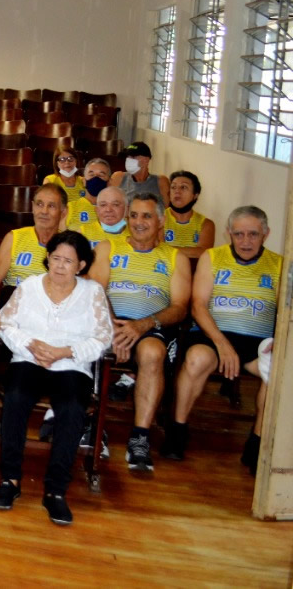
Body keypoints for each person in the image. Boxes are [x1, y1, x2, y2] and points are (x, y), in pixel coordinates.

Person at [0, 231, 113, 525]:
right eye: (55, 258)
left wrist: (65, 351)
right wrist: (31, 346)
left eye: (68, 261)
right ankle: (10, 480)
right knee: (16, 399)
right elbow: (4, 324)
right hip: (28, 360)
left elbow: (103, 338)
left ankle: (56, 490)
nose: (59, 266)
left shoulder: (93, 292)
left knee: (72, 409)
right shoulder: (29, 286)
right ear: (47, 258)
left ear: (81, 265)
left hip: (71, 365)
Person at [163, 206, 283, 471]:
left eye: (253, 234)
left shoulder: (279, 264)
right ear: (229, 233)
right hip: (213, 336)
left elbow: (286, 311)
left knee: (277, 371)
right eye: (238, 234)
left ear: (266, 234)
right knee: (195, 359)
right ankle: (178, 430)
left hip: (257, 342)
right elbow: (198, 306)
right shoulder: (212, 257)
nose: (245, 241)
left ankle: (256, 442)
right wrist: (222, 343)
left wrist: (282, 338)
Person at [88, 193, 190, 472]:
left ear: (160, 220)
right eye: (133, 215)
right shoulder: (109, 247)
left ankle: (140, 438)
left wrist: (142, 325)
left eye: (146, 216)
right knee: (89, 345)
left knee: (153, 352)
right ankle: (94, 427)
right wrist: (113, 328)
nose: (138, 222)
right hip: (109, 322)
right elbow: (95, 290)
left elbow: (180, 307)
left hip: (150, 326)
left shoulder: (174, 258)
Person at [0, 183, 68, 293]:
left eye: (51, 206)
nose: (44, 211)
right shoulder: (14, 238)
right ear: (32, 207)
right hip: (14, 304)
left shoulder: (69, 246)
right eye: (39, 204)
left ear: (63, 212)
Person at [164, 170, 215, 258]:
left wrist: (166, 249)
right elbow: (155, 249)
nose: (177, 191)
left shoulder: (206, 224)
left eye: (183, 187)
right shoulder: (158, 218)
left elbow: (203, 253)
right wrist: (191, 251)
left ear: (195, 195)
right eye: (173, 187)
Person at [111, 141, 169, 206]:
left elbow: (167, 211)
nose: (128, 160)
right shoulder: (118, 178)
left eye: (133, 157)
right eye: (127, 157)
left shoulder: (160, 182)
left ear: (146, 160)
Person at [66, 158, 109, 229]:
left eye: (101, 175)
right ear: (84, 181)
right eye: (91, 175)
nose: (96, 178)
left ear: (109, 182)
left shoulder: (114, 210)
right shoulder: (70, 207)